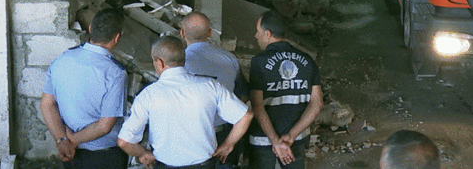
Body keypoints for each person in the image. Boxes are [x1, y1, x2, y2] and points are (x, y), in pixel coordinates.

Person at [118, 35, 253, 169]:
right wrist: (228, 145)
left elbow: (124, 141)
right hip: (204, 166)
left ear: (160, 62)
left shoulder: (148, 95)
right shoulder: (210, 86)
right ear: (183, 59)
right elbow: (245, 116)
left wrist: (143, 154)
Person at [40, 8, 128, 169]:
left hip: (70, 153)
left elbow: (47, 104)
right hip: (104, 155)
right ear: (117, 38)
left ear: (90, 29)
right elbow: (104, 126)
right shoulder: (116, 73)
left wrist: (62, 140)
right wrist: (73, 141)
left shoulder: (62, 60)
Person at [249, 11, 323, 169]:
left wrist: (275, 141)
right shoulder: (308, 61)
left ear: (268, 34)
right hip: (296, 138)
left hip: (263, 139)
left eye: (258, 31)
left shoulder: (259, 63)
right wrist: (290, 136)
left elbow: (257, 107)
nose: (256, 35)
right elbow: (316, 104)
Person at [181, 11, 249, 169]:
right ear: (210, 33)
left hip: (188, 136)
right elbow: (244, 94)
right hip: (223, 135)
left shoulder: (176, 63)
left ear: (182, 33)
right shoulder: (229, 59)